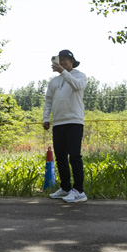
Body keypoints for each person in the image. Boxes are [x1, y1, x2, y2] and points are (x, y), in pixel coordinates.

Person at [42, 49, 88, 203]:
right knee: (60, 157)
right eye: (59, 59)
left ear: (72, 61)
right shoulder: (54, 81)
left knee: (74, 156)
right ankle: (66, 188)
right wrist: (45, 118)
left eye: (65, 59)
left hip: (74, 121)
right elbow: (48, 100)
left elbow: (77, 86)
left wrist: (63, 72)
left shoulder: (80, 75)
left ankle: (79, 191)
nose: (62, 62)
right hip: (59, 122)